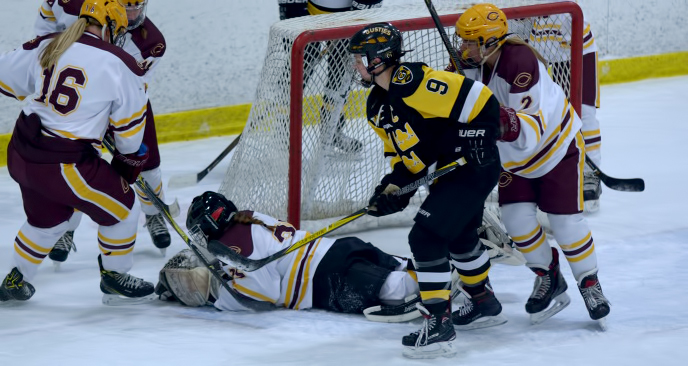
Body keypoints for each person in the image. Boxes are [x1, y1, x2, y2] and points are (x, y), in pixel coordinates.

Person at [347, 22, 516, 359]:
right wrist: (392, 190)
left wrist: (478, 139)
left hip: (473, 167)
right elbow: (409, 158)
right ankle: (483, 301)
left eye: (359, 59)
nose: (355, 66)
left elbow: (481, 101)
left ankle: (438, 325)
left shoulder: (413, 82)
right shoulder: (377, 106)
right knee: (459, 235)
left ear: (377, 59)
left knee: (426, 238)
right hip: (450, 172)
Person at [454, 3, 610, 328]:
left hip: (554, 151)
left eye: (469, 41)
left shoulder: (519, 61)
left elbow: (529, 130)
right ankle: (548, 276)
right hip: (514, 161)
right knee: (516, 222)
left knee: (566, 225)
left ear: (488, 43)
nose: (462, 47)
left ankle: (590, 284)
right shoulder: (470, 64)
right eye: (462, 40)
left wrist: (489, 119)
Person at [0, 0, 154, 305]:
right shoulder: (120, 63)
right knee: (123, 209)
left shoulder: (50, 43)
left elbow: (5, 75)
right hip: (63, 163)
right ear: (110, 27)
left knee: (48, 219)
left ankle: (16, 277)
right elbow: (129, 139)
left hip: (21, 152)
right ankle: (114, 275)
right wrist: (128, 161)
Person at [34, 0, 171, 265]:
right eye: (126, 6)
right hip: (78, 97)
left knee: (147, 159)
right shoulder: (71, 5)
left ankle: (153, 213)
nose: (133, 14)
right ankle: (66, 227)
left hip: (123, 102)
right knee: (77, 164)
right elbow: (43, 35)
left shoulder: (151, 42)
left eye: (137, 6)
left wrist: (115, 122)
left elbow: (134, 92)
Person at [155, 191, 423, 323]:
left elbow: (264, 294)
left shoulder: (232, 246)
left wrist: (218, 298)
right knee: (403, 265)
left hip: (325, 279)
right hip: (337, 248)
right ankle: (440, 270)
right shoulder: (249, 216)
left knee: (397, 289)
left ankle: (432, 287)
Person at [525, 0, 603, 212]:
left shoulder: (566, 15)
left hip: (578, 51)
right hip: (546, 57)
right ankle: (557, 170)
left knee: (583, 114)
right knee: (547, 114)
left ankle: (591, 173)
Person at [277, 0, 383, 154]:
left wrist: (360, 13)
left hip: (347, 14)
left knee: (341, 70)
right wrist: (291, 8)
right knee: (302, 60)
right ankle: (283, 132)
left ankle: (333, 131)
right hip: (305, 10)